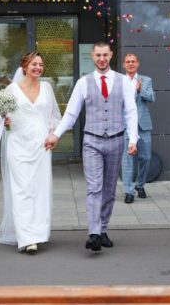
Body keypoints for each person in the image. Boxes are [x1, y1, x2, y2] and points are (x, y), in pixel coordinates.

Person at [45, 41, 138, 252]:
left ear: (111, 55)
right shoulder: (83, 82)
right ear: (92, 56)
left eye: (105, 55)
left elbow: (131, 112)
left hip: (116, 140)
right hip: (92, 142)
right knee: (94, 187)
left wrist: (133, 139)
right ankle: (94, 233)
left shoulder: (123, 81)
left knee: (109, 190)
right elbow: (71, 113)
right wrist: (56, 134)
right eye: (98, 55)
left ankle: (103, 229)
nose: (102, 59)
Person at [0, 52, 61, 254]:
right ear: (24, 66)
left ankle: (39, 233)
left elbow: (55, 116)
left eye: (40, 64)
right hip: (18, 145)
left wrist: (53, 135)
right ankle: (26, 238)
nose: (38, 67)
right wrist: (4, 120)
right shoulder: (12, 89)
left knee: (40, 189)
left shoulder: (47, 88)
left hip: (41, 146)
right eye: (34, 64)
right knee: (22, 190)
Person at [121, 53, 154, 203]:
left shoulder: (146, 80)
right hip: (126, 126)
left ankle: (140, 185)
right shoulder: (120, 81)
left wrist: (141, 90)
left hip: (143, 125)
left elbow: (152, 98)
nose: (130, 64)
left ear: (137, 63)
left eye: (133, 61)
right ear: (124, 65)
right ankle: (128, 191)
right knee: (127, 160)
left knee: (145, 158)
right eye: (128, 62)